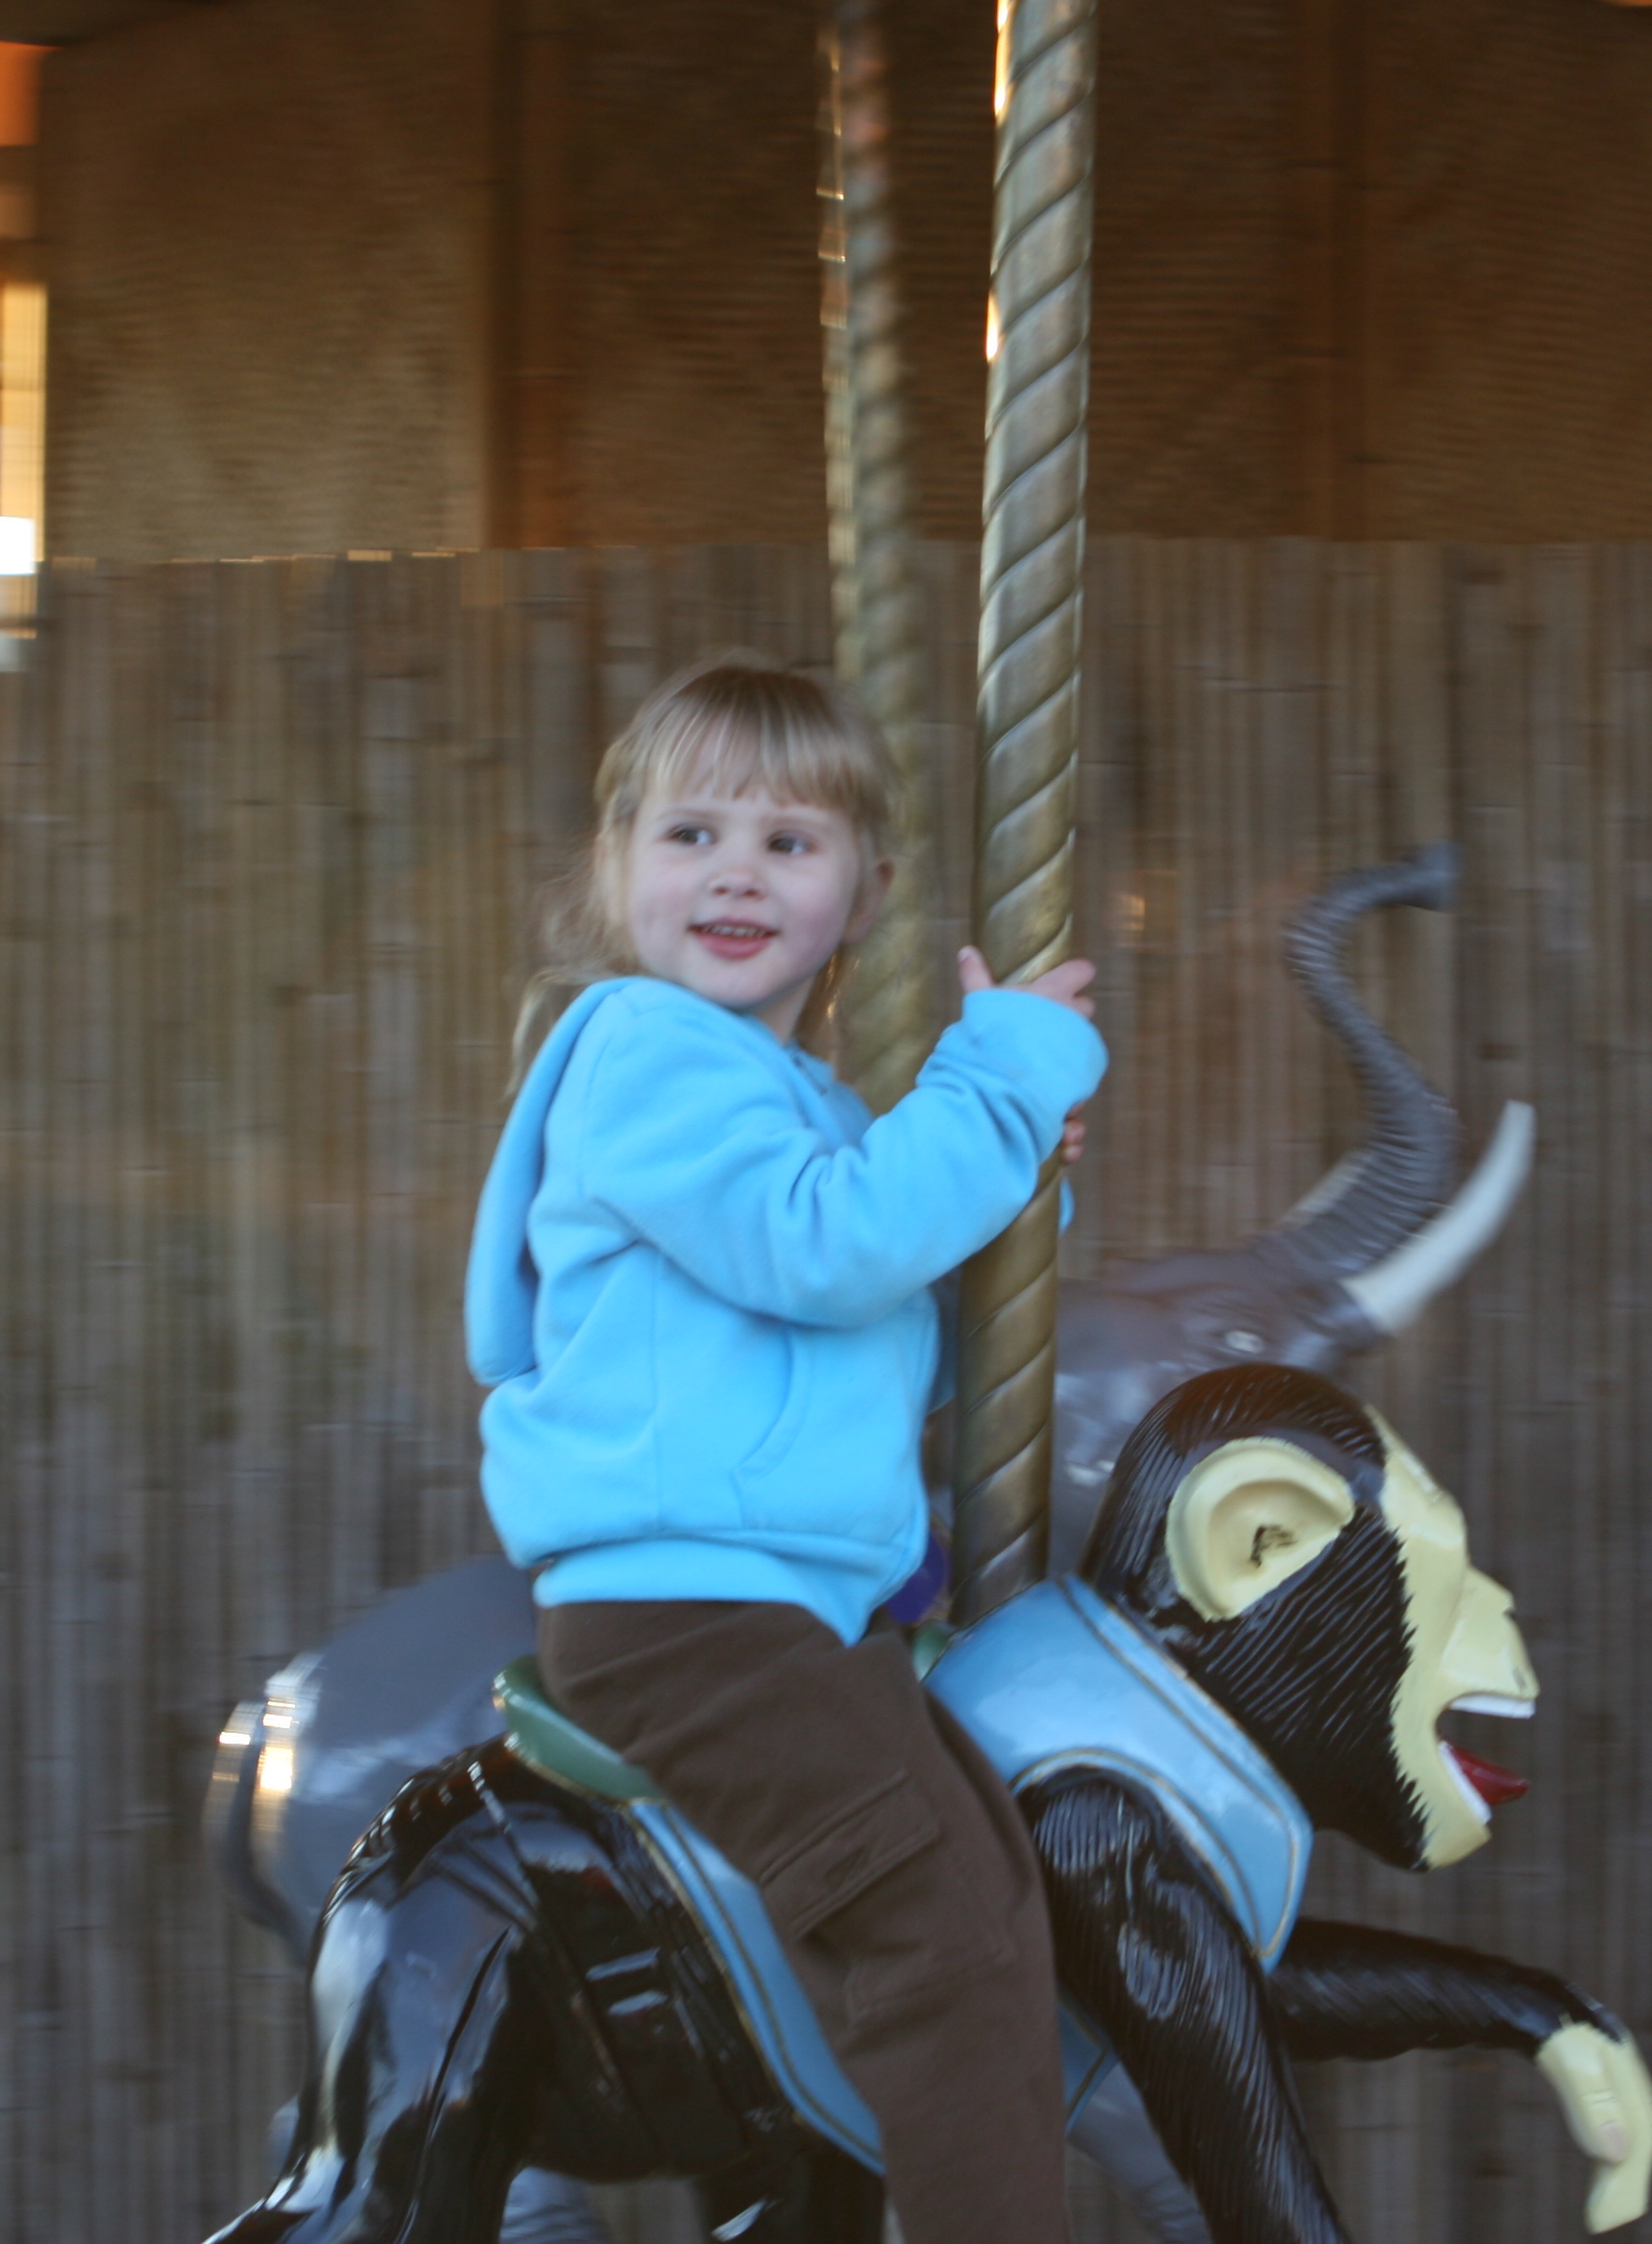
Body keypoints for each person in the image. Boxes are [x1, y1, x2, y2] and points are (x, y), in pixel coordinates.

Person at [464, 655, 1104, 2242]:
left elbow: (877, 1321)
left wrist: (1011, 1179)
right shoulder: (650, 1052)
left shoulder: (792, 1099)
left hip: (778, 1614)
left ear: (863, 892)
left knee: (985, 1906)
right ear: (617, 867)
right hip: (695, 1618)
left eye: (789, 842)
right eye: (691, 835)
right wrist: (993, 1088)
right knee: (947, 1950)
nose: (736, 872)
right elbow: (826, 1248)